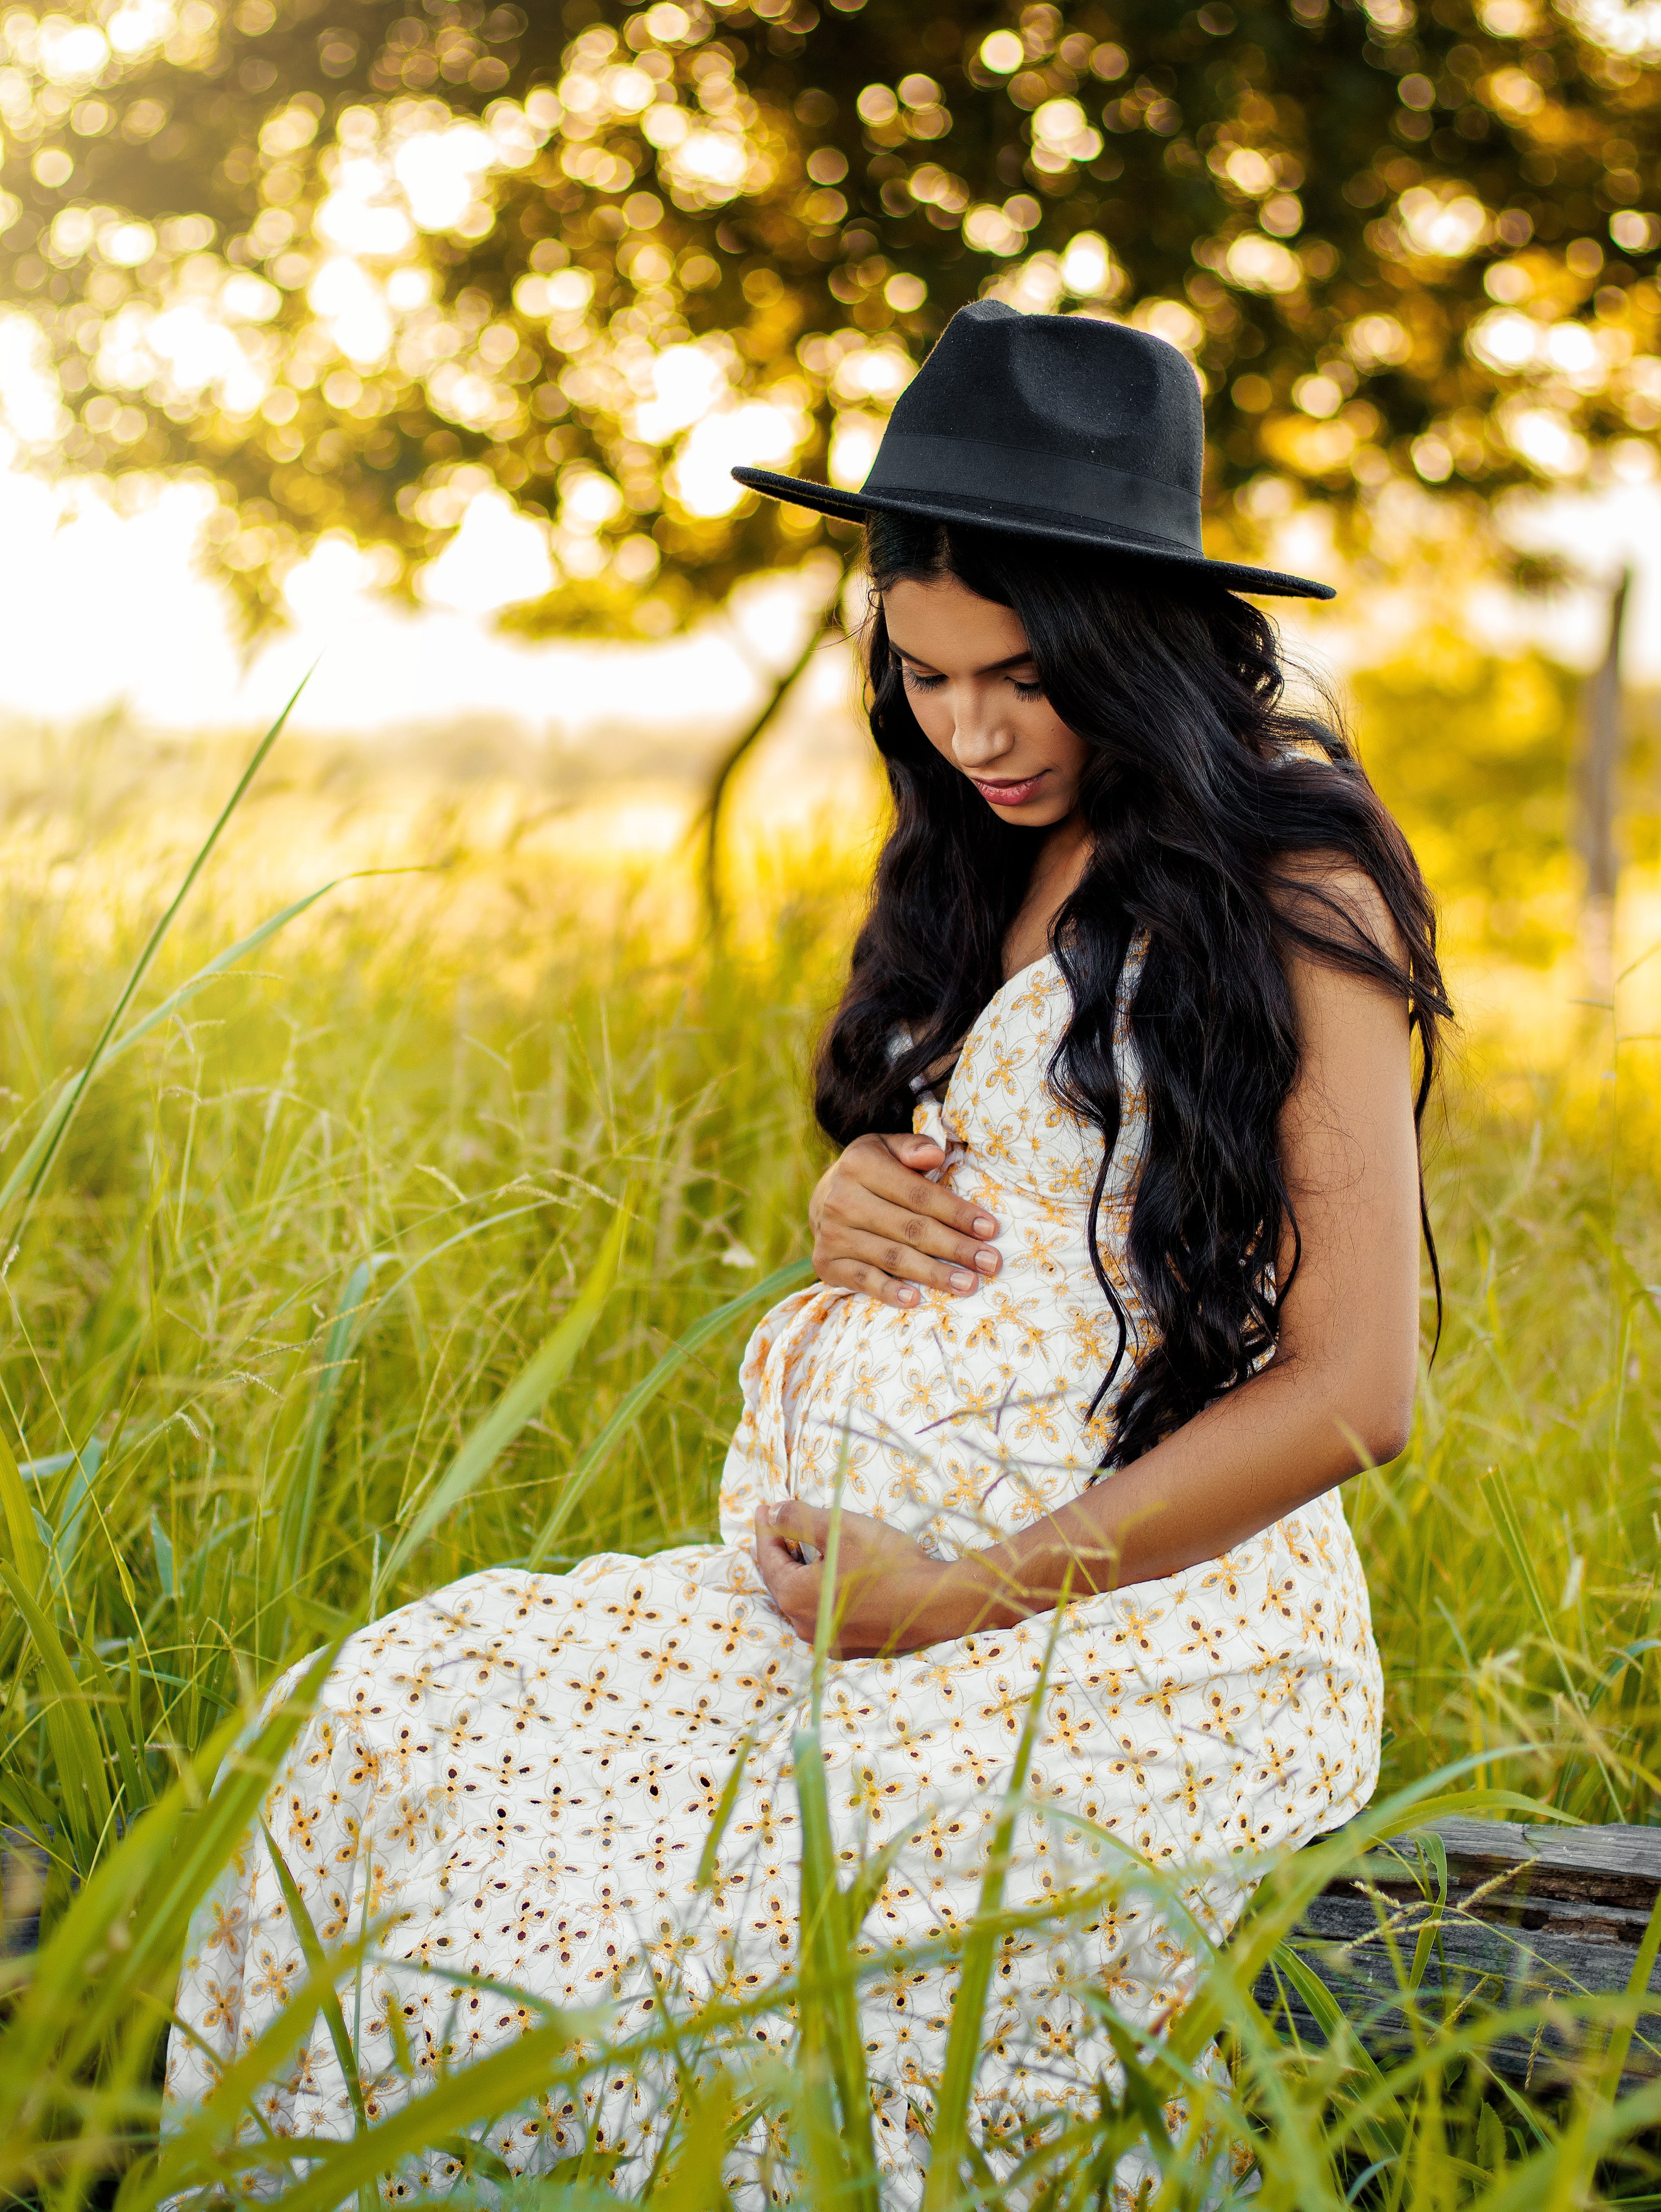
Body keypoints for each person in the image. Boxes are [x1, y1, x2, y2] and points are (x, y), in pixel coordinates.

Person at [167, 302, 1448, 2206]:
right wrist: (854, 1198)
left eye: (1024, 677)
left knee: (720, 1940)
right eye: (926, 675)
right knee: (389, 1714)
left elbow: (1360, 1391)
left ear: (1138, 642)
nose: (974, 730)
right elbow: (1021, 1185)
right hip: (849, 1607)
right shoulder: (977, 850)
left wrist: (965, 1595)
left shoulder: (1294, 886)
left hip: (1133, 1632)